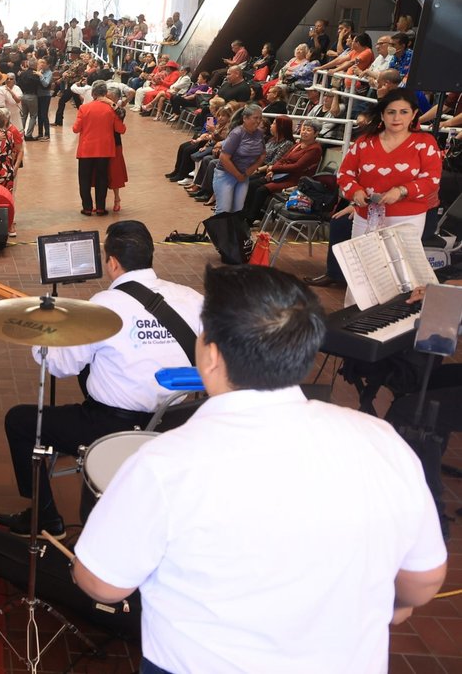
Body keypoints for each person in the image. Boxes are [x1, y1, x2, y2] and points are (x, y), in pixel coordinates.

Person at [72, 265, 446, 672]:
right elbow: (424, 581)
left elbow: (102, 584)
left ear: (211, 355)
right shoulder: (382, 442)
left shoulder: (164, 463)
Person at [0, 221, 204, 537]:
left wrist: (42, 337)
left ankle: (46, 518)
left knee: (19, 421)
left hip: (111, 427)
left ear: (112, 263)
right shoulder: (190, 298)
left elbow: (60, 366)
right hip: (175, 425)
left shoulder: (103, 306)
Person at [337, 87, 441, 240]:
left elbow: (431, 180)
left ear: (413, 114)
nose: (396, 118)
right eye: (391, 112)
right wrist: (355, 191)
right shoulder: (364, 142)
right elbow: (344, 173)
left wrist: (402, 191)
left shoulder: (425, 143)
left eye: (404, 112)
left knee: (400, 257)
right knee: (363, 256)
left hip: (408, 219)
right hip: (365, 216)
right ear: (382, 115)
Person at [73, 82, 125, 215]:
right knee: (102, 178)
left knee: (84, 179)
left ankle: (87, 208)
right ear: (105, 93)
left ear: (92, 94)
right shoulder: (111, 109)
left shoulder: (84, 108)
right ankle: (101, 208)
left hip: (86, 150)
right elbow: (121, 129)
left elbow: (75, 129)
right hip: (105, 150)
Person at [211, 103, 267, 214]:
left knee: (237, 210)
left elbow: (262, 155)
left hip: (244, 176)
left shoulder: (259, 134)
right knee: (224, 210)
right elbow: (224, 157)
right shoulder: (237, 133)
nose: (258, 121)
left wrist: (249, 171)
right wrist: (238, 175)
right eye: (255, 118)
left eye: (260, 118)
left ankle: (232, 226)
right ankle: (218, 226)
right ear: (245, 118)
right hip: (225, 175)